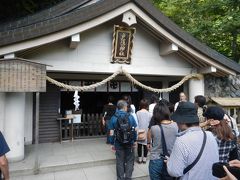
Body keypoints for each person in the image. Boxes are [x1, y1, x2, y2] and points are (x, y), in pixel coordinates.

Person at [167, 102, 219, 180]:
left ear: (182, 121)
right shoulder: (210, 135)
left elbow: (174, 172)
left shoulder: (181, 140)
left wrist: (169, 162)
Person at [147, 101, 178, 180]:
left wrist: (148, 143)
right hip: (170, 159)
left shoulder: (154, 128)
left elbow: (149, 135)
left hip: (156, 160)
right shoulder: (176, 125)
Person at [109, 100, 137, 180]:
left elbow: (111, 132)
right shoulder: (130, 116)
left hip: (118, 143)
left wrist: (112, 143)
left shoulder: (114, 117)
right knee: (129, 160)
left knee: (119, 161)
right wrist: (134, 141)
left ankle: (120, 178)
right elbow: (134, 129)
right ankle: (128, 177)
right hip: (130, 143)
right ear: (125, 107)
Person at [136, 99, 151, 164]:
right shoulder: (149, 114)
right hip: (147, 131)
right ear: (147, 105)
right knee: (145, 145)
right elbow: (150, 124)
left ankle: (139, 159)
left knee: (139, 145)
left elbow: (136, 123)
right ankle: (144, 159)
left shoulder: (137, 113)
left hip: (139, 131)